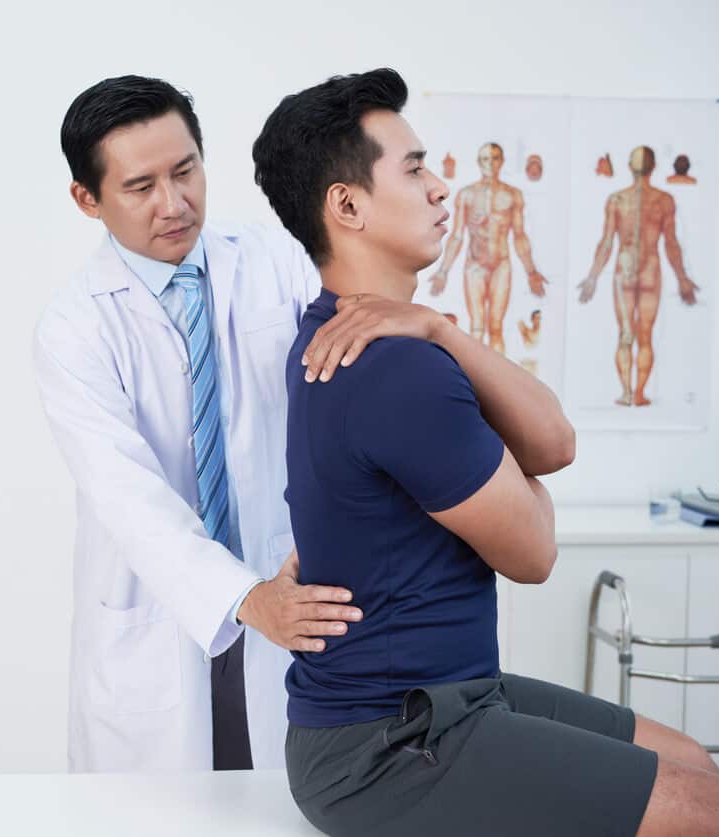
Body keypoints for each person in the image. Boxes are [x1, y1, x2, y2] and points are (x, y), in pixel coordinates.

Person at [252, 68, 719, 837]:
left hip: (451, 695)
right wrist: (509, 456)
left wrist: (444, 329)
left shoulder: (365, 333)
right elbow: (534, 550)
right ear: (347, 204)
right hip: (388, 743)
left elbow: (554, 440)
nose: (440, 187)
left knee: (696, 761)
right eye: (416, 167)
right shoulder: (390, 367)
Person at [33, 76, 443, 773]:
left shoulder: (274, 259)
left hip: (293, 586)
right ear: (87, 198)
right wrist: (247, 597)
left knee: (285, 802)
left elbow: (361, 357)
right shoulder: (74, 327)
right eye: (141, 186)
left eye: (185, 170)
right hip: (162, 613)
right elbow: (126, 496)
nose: (175, 202)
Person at [578, 146, 700, 407]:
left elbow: (608, 242)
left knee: (627, 333)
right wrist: (682, 278)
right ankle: (638, 393)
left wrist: (593, 278)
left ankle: (627, 393)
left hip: (626, 269)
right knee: (642, 334)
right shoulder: (662, 200)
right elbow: (670, 243)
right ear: (654, 167)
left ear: (629, 167)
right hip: (649, 270)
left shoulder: (618, 199)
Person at [428, 142, 548, 355]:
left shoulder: (513, 195)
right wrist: (443, 272)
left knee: (496, 328)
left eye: (494, 158)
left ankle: (496, 386)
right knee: (476, 328)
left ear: (501, 161)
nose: (490, 164)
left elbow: (519, 236)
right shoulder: (466, 195)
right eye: (485, 159)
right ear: (478, 162)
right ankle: (474, 387)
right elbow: (457, 236)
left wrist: (531, 271)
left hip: (501, 264)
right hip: (475, 266)